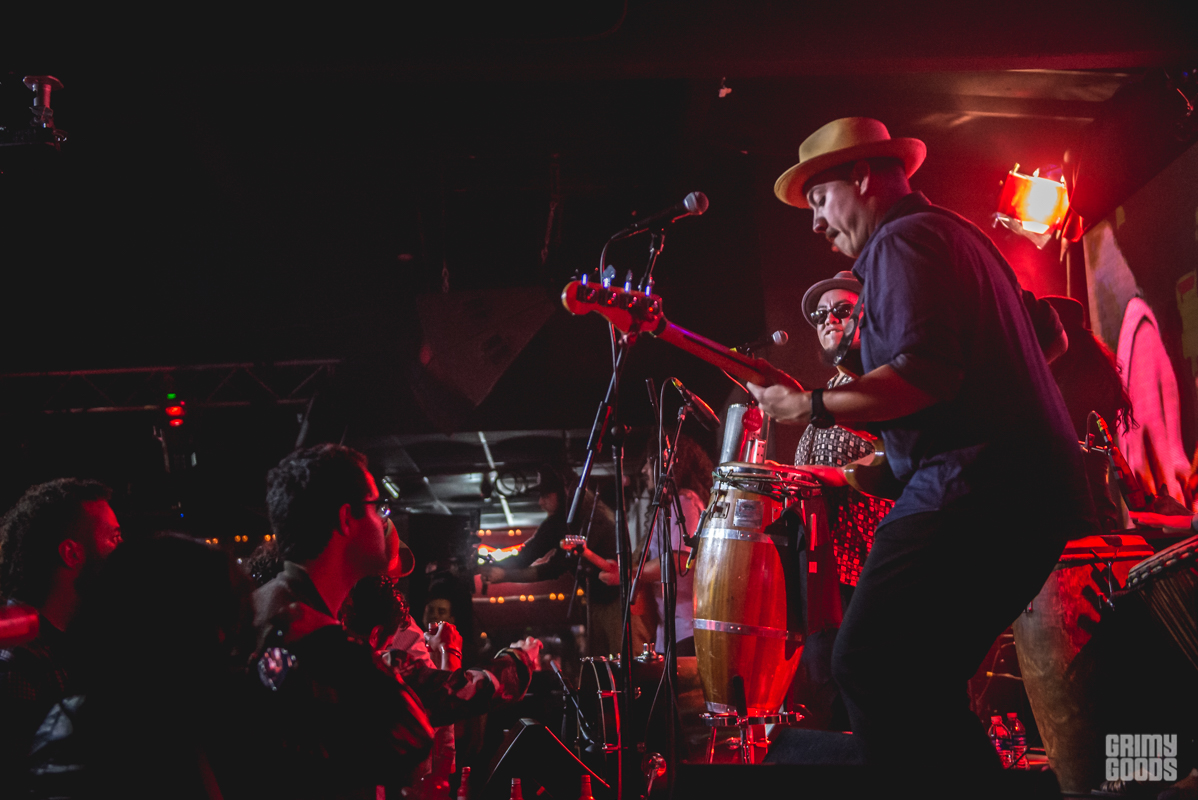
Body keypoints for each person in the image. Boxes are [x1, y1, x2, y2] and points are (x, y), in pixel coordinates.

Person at [750, 117, 1090, 794]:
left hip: (975, 489)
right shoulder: (963, 237)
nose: (815, 223)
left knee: (869, 662)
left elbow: (926, 374)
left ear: (863, 178)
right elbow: (1047, 337)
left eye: (819, 200)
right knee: (921, 681)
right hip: (1028, 493)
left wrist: (810, 406)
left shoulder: (901, 241)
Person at [253, 444, 538, 798]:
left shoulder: (259, 610)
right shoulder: (318, 642)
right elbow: (411, 736)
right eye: (378, 507)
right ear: (346, 518)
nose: (384, 519)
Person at [789, 271, 895, 730]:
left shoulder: (886, 377)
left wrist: (823, 475)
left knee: (862, 678)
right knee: (825, 682)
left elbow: (896, 457)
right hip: (825, 564)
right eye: (820, 315)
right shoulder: (832, 388)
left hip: (871, 560)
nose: (828, 320)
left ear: (868, 313)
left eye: (841, 310)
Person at [0, 479, 121, 790]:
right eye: (114, 537)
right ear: (72, 554)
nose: (123, 551)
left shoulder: (81, 640)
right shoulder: (17, 661)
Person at [481, 466, 622, 657]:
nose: (540, 502)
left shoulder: (591, 521)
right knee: (600, 663)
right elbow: (529, 556)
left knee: (621, 660)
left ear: (565, 493)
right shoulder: (558, 524)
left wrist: (504, 573)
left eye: (546, 495)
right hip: (596, 601)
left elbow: (552, 567)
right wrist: (498, 570)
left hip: (618, 601)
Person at [603, 434, 711, 657]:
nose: (644, 470)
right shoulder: (672, 504)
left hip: (686, 630)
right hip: (671, 631)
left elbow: (679, 560)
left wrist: (630, 573)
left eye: (649, 462)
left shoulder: (684, 502)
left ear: (668, 464)